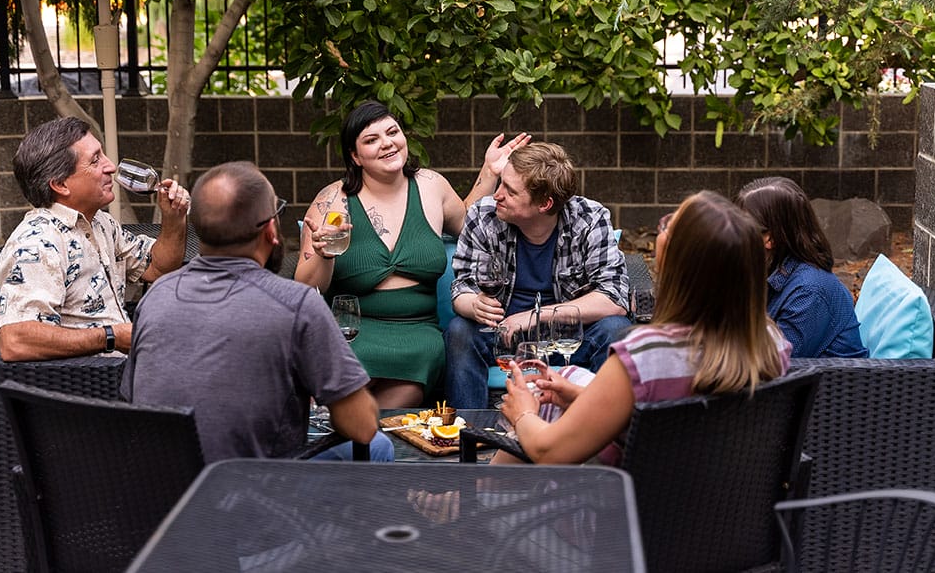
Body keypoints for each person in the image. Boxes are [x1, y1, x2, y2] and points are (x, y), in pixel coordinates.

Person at [121, 161, 392, 463]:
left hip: (163, 495)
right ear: (270, 230)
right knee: (380, 445)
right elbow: (362, 426)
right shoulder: (296, 304)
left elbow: (133, 397)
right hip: (252, 496)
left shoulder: (156, 296)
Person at [499, 191, 792, 464]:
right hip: (728, 508)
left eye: (667, 227)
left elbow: (549, 451)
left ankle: (476, 502)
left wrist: (522, 412)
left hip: (626, 510)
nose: (660, 229)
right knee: (570, 376)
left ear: (678, 264)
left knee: (536, 404)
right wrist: (580, 395)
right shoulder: (771, 342)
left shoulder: (646, 356)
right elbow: (679, 425)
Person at [295, 100, 529, 409]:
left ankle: (353, 437)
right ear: (355, 156)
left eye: (392, 132)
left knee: (394, 407)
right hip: (353, 332)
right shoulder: (334, 202)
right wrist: (324, 255)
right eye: (371, 139)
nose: (387, 143)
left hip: (416, 333)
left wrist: (490, 171)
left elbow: (468, 223)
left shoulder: (431, 186)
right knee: (341, 401)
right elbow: (306, 287)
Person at [444, 142, 632, 410]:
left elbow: (613, 298)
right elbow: (462, 286)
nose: (497, 195)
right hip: (502, 336)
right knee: (460, 331)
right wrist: (472, 304)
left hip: (569, 337)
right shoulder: (484, 215)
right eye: (500, 184)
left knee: (616, 330)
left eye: (509, 191)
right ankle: (468, 433)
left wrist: (534, 317)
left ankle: (600, 429)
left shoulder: (590, 219)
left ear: (545, 203)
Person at [0, 117, 190, 361]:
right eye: (95, 160)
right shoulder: (37, 242)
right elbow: (15, 341)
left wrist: (174, 219)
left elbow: (158, 267)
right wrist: (111, 337)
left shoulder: (101, 223)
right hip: (85, 391)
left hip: (126, 373)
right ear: (60, 184)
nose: (111, 167)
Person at [734, 176, 867, 358]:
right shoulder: (771, 271)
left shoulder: (809, 292)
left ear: (770, 238)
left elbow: (772, 363)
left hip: (829, 384)